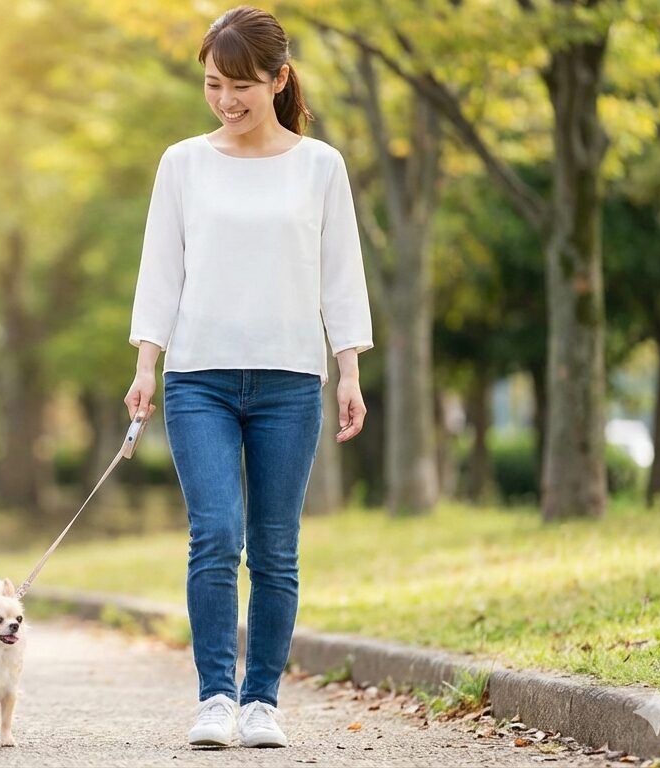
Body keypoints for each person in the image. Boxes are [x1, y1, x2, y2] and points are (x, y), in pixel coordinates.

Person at [124, 5, 373, 750]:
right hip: (197, 377)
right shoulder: (182, 163)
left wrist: (349, 371)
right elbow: (160, 270)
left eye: (241, 86)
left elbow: (341, 276)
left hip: (291, 380)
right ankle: (214, 698)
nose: (227, 101)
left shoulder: (320, 165)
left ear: (279, 80)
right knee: (215, 535)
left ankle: (261, 700)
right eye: (212, 85)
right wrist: (146, 362)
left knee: (273, 547)